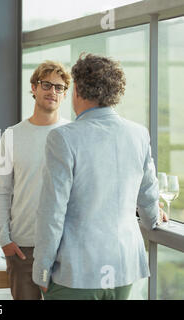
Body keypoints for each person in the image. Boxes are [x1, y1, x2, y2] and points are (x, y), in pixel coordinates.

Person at [32, 53, 167, 300]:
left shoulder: (63, 138)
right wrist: (152, 219)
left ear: (77, 91)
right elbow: (148, 196)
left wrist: (41, 270)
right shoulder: (138, 134)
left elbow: (52, 212)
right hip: (124, 267)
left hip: (77, 271)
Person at [0, 61, 71, 300]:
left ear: (65, 94)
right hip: (23, 247)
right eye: (46, 84)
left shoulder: (73, 134)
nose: (52, 92)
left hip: (65, 246)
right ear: (34, 88)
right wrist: (4, 239)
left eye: (59, 87)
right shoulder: (11, 135)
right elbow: (2, 191)